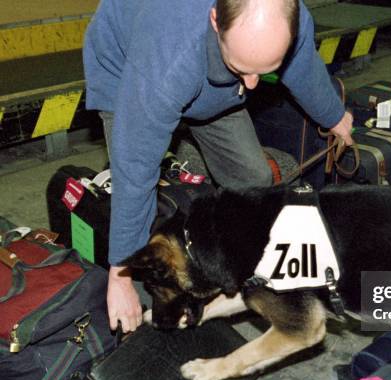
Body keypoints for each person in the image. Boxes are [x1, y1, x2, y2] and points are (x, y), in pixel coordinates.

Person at [83, 0, 354, 332]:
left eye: (265, 69)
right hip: (128, 63)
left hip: (211, 80)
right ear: (216, 20)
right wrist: (120, 276)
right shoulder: (168, 55)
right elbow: (135, 168)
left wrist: (334, 116)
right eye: (242, 67)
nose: (253, 85)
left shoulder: (286, 18)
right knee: (138, 186)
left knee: (253, 177)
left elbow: (304, 68)